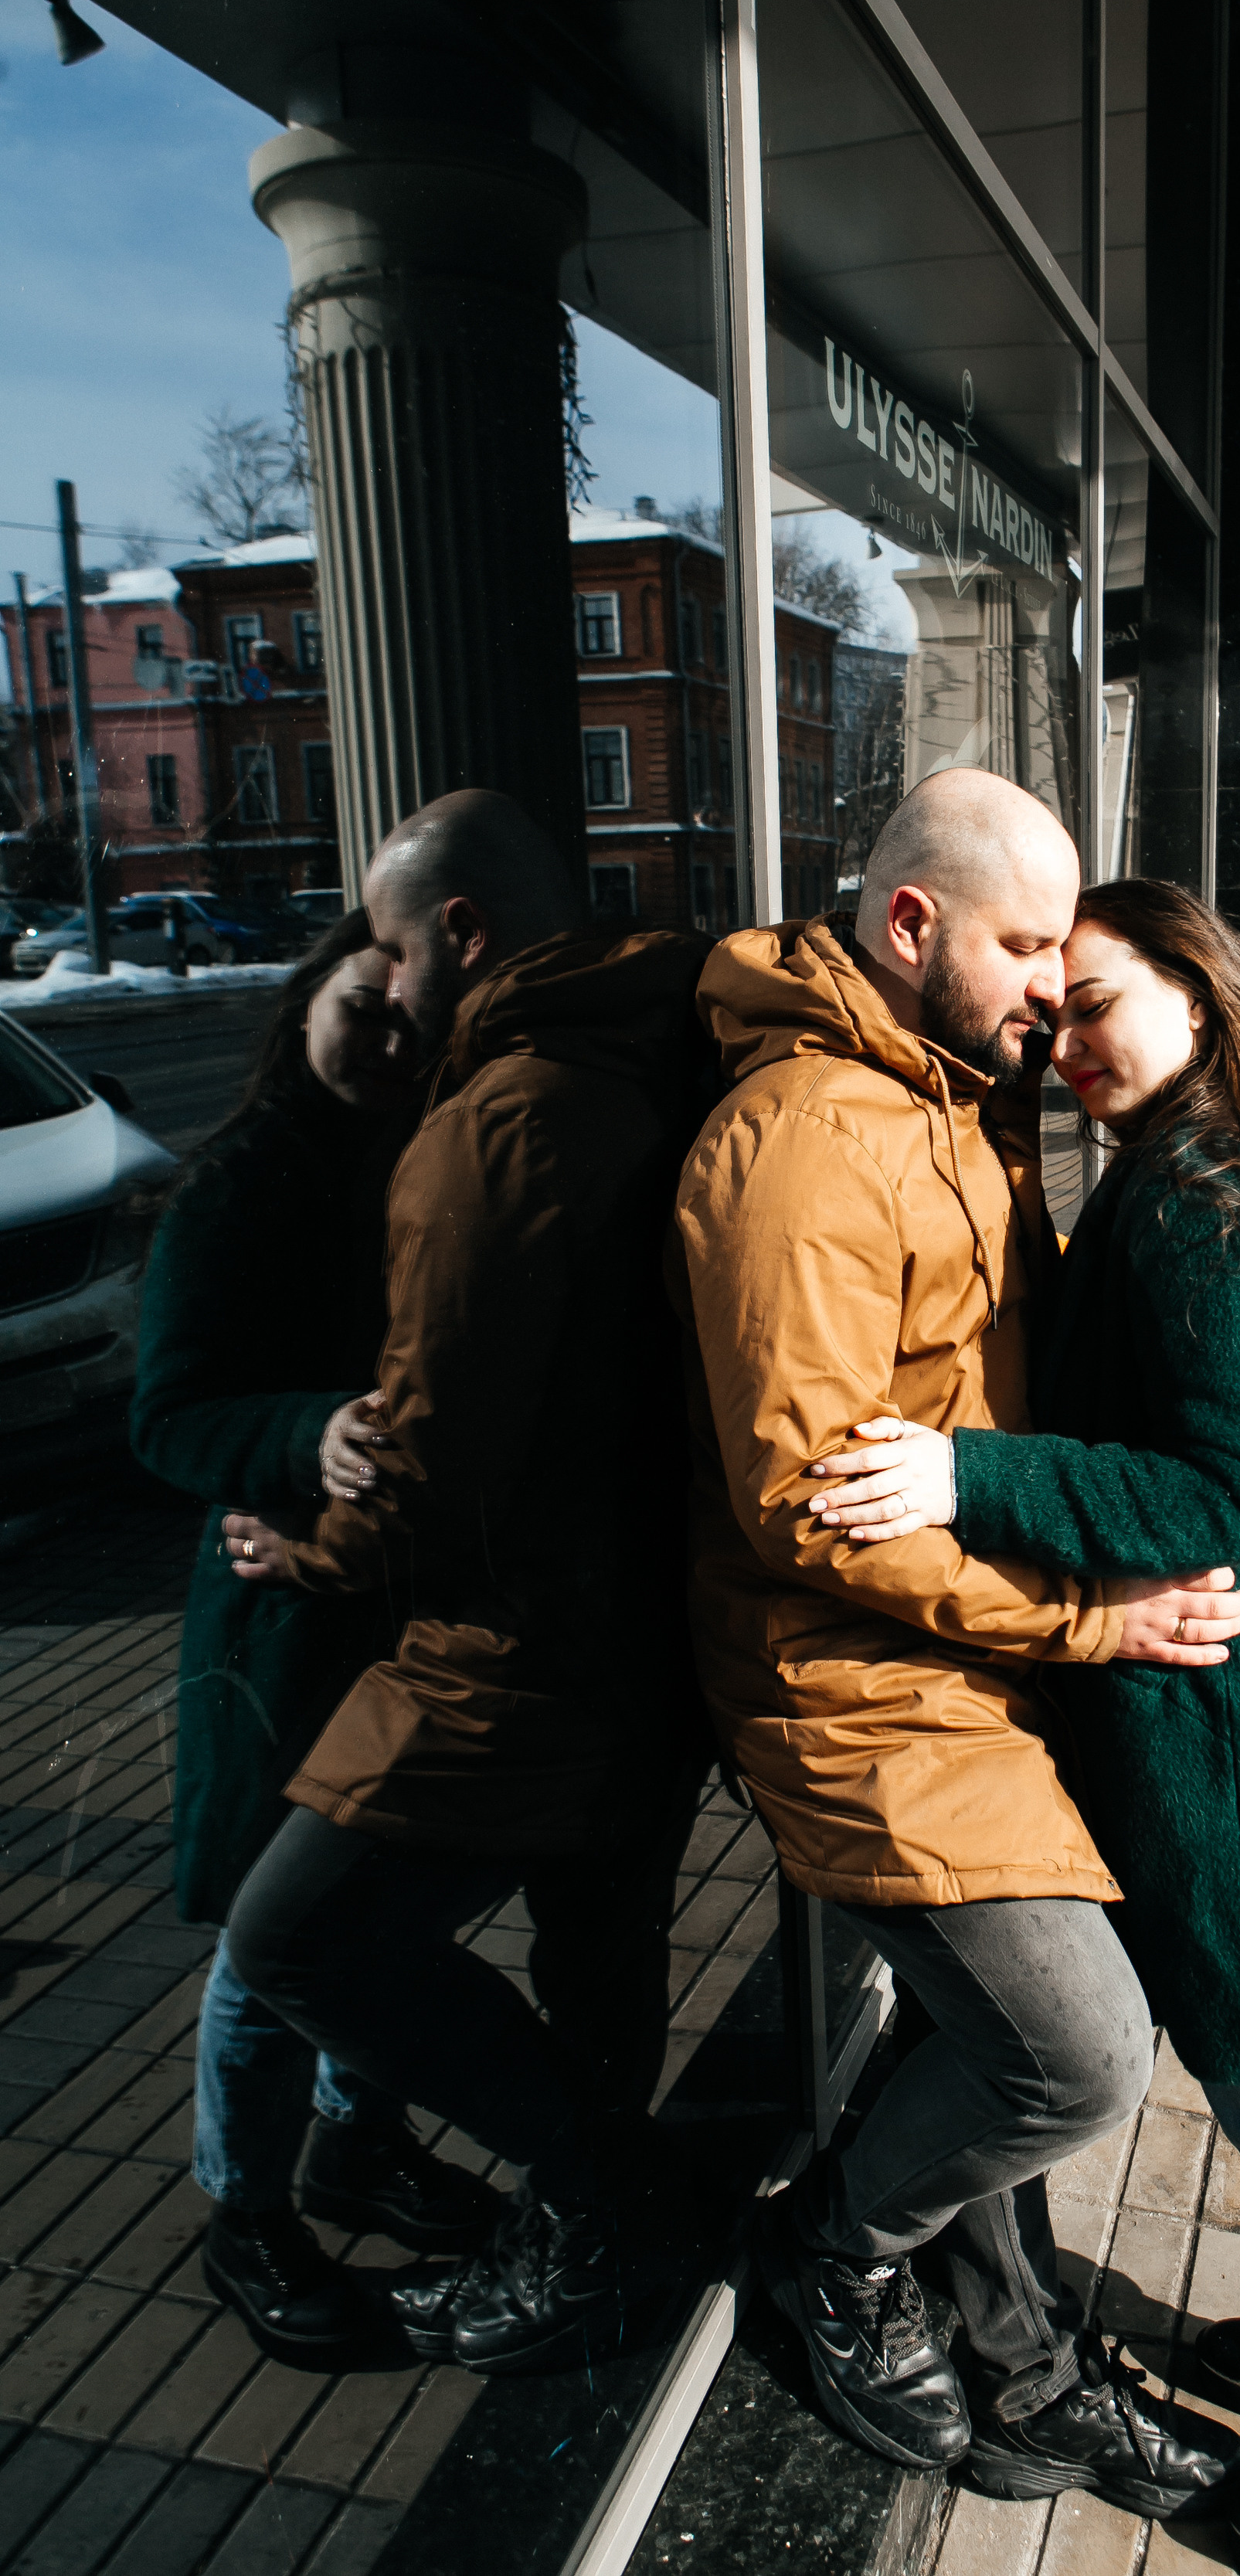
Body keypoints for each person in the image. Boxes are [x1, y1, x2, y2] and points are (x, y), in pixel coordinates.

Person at [806, 878, 1240, 2576]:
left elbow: (1227, 1491)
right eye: (1053, 1002)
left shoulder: (1200, 1201)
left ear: (1197, 992)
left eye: (1099, 997)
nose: (1066, 1032)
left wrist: (964, 1467)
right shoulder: (1194, 1165)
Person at [670, 771, 1240, 2517]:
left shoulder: (952, 1092)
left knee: (983, 2035)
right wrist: (1091, 1614)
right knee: (1075, 2049)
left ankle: (1020, 2369)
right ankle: (834, 2250)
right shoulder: (799, 1145)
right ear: (909, 922)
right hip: (854, 1685)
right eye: (1020, 945)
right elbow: (811, 1516)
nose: (1045, 989)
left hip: (964, 1659)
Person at [219, 790, 716, 2376]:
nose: (384, 983)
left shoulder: (500, 1122)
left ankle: (606, 2198)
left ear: (464, 934)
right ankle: (586, 2246)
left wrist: (314, 1549)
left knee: (294, 1935)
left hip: (521, 1649)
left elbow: (439, 1445)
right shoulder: (664, 1059)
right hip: (660, 1637)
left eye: (390, 945)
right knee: (596, 1966)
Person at [132, 911, 492, 2362]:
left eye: (411, 1020)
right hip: (278, 1626)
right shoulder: (232, 1186)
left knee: (362, 1916)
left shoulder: (427, 1162)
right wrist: (304, 1440)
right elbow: (167, 1418)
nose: (387, 1039)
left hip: (385, 1608)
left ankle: (355, 2145)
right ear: (303, 1009)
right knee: (267, 1946)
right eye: (363, 1007)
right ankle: (246, 2210)